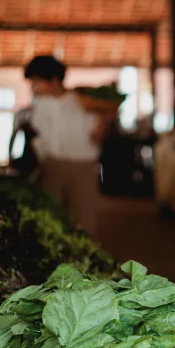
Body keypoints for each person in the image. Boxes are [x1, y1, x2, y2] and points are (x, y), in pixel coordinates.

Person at [22, 55, 109, 236]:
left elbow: (97, 137)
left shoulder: (84, 101)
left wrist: (104, 116)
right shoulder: (40, 105)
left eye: (36, 82)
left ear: (53, 80)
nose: (32, 87)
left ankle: (82, 261)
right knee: (51, 220)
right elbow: (38, 137)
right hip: (51, 166)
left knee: (83, 220)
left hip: (82, 168)